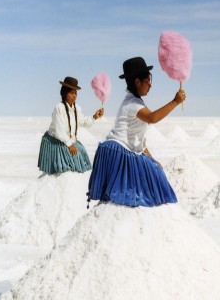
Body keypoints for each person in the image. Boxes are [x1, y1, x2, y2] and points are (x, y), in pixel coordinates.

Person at [87, 56, 185, 207]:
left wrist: (153, 159)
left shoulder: (134, 101)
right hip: (118, 152)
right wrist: (175, 102)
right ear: (137, 82)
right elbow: (152, 118)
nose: (150, 85)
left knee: (155, 170)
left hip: (120, 149)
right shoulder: (133, 104)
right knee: (138, 190)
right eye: (148, 81)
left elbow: (137, 140)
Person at [37, 76, 104, 175]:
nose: (74, 96)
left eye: (75, 93)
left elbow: (83, 122)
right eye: (71, 93)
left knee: (81, 151)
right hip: (56, 140)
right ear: (65, 93)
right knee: (71, 161)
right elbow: (59, 131)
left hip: (67, 139)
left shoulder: (77, 108)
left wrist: (94, 117)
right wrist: (69, 144)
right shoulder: (59, 108)